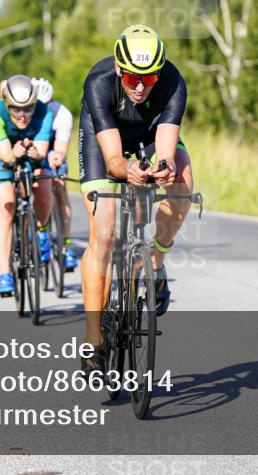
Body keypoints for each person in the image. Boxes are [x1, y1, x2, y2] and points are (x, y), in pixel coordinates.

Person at [78, 24, 194, 373]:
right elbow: (113, 160)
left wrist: (163, 167)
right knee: (105, 233)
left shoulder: (173, 83)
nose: (141, 86)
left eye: (149, 79)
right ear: (118, 68)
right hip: (105, 140)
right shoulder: (99, 82)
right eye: (131, 78)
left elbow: (165, 147)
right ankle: (92, 340)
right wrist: (125, 168)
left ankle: (155, 261)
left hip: (147, 134)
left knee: (183, 182)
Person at [0, 75, 54, 297]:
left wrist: (35, 154)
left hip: (28, 148)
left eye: (28, 109)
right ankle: (4, 272)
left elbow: (41, 153)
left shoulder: (44, 113)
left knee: (43, 186)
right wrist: (13, 154)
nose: (23, 116)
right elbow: (6, 156)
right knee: (7, 204)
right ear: (6, 104)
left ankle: (41, 230)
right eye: (16, 110)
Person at [31, 77, 78, 271]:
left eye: (46, 106)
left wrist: (57, 159)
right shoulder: (24, 111)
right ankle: (29, 231)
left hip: (52, 148)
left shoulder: (62, 114)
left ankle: (66, 244)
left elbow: (60, 148)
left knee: (59, 186)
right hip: (32, 146)